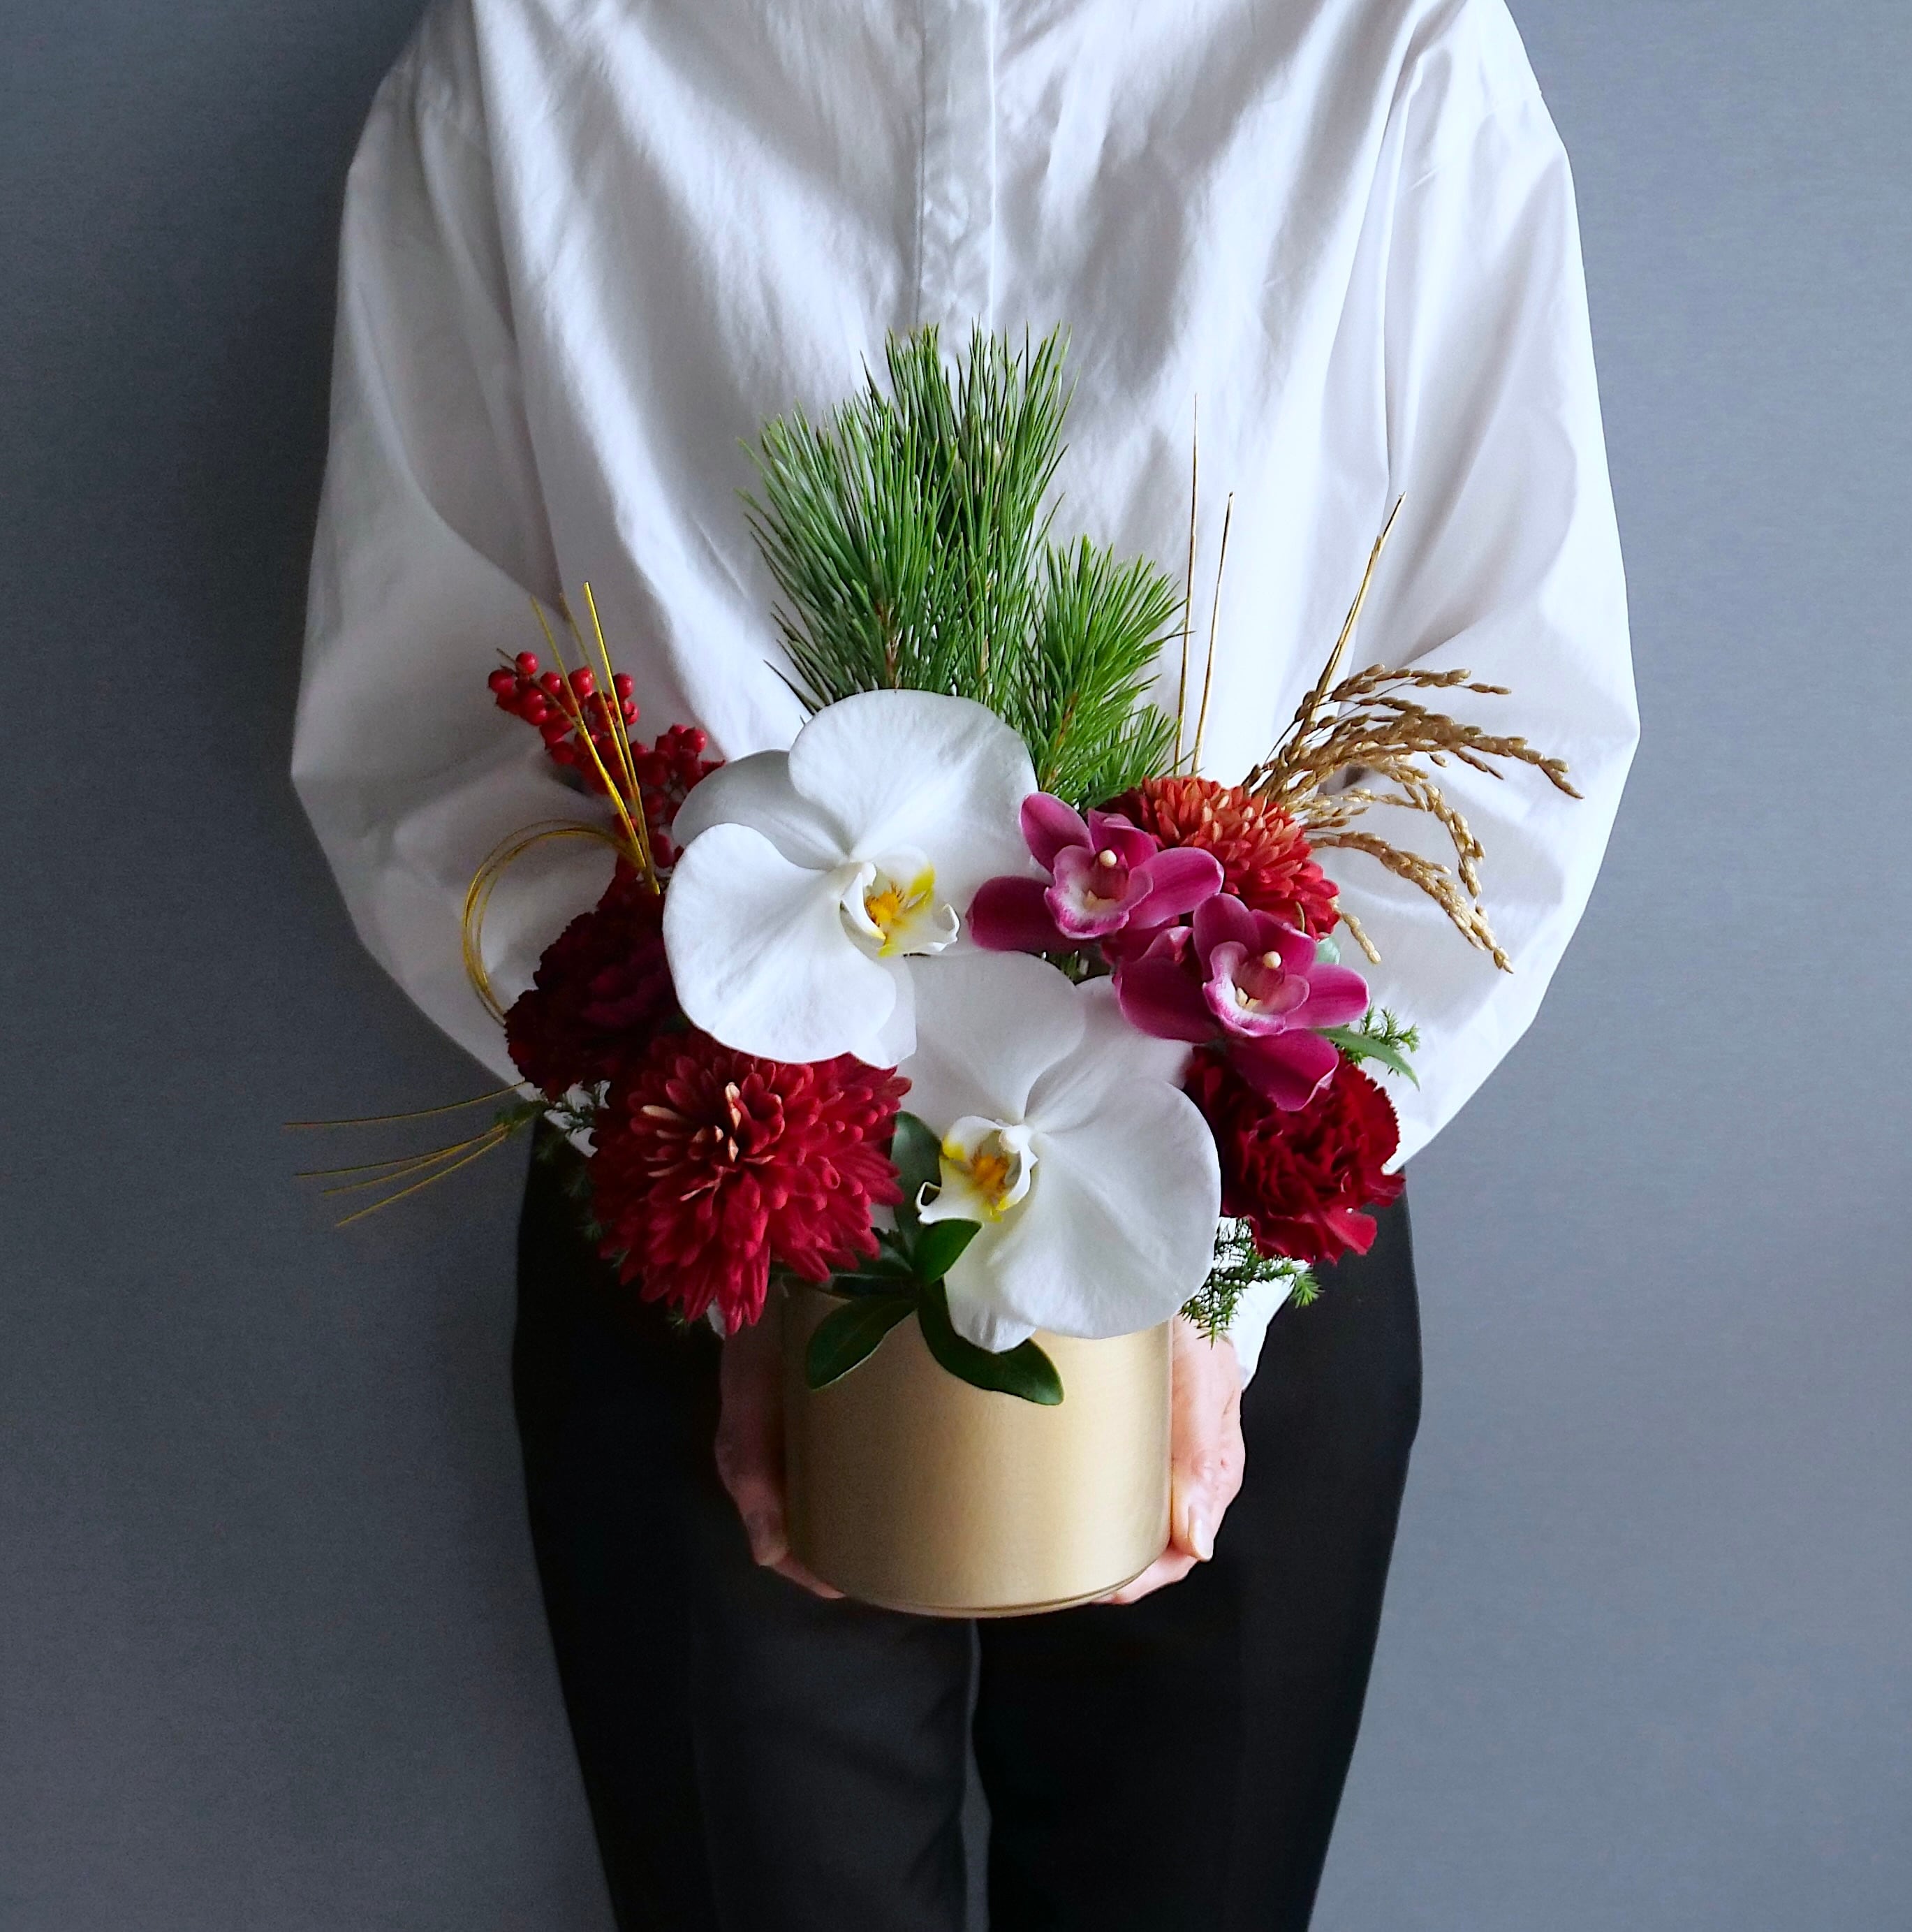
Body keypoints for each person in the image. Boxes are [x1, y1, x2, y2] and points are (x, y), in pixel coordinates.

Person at [293, 0, 1637, 1924]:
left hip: (1244, 1223)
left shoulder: (1388, 42)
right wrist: (723, 1181)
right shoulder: (532, 45)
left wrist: (1228, 1281)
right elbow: (423, 697)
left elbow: (1513, 688)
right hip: (703, 1220)